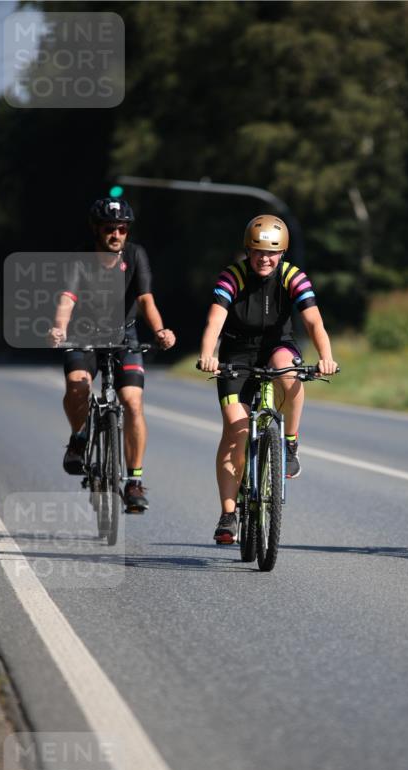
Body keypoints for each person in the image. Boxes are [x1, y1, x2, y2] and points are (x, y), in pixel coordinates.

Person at [199, 214, 338, 543]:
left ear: (282, 253)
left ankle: (289, 443)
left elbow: (314, 322)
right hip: (236, 354)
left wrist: (326, 357)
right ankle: (228, 515)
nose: (265, 258)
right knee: (235, 431)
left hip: (278, 346)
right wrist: (208, 354)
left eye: (272, 253)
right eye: (258, 251)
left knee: (289, 371)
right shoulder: (232, 276)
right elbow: (215, 320)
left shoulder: (293, 277)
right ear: (248, 250)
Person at [49, 197, 176, 512]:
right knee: (77, 385)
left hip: (123, 335)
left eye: (122, 229)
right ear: (96, 229)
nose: (116, 234)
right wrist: (59, 328)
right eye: (109, 228)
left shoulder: (135, 255)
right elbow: (67, 298)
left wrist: (160, 331)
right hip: (82, 334)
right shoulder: (80, 259)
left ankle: (133, 481)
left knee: (132, 401)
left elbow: (146, 299)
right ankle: (79, 437)